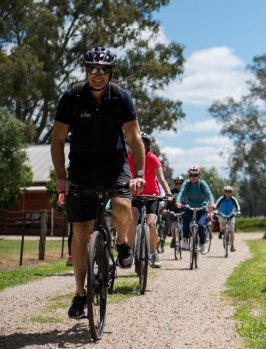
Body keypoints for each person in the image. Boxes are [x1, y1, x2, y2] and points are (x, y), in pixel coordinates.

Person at [51, 47, 146, 319]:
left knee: (122, 206)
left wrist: (138, 173)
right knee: (80, 233)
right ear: (85, 70)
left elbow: (135, 138)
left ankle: (124, 245)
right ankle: (80, 295)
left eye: (103, 70)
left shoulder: (120, 98)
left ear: (110, 72)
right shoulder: (72, 98)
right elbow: (57, 140)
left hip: (114, 165)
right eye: (92, 69)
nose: (97, 74)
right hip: (80, 168)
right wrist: (61, 176)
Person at [127, 132, 172, 268]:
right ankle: (129, 252)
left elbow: (161, 179)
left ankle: (153, 253)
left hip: (152, 196)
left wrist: (169, 193)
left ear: (148, 145)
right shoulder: (129, 158)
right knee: (133, 218)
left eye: (144, 143)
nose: (141, 145)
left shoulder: (153, 159)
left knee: (151, 224)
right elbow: (125, 176)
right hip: (135, 195)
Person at [175, 165, 214, 254]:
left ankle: (203, 244)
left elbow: (209, 193)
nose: (193, 177)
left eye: (195, 175)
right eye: (191, 175)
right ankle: (185, 240)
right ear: (189, 176)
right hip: (190, 207)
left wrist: (211, 203)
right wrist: (178, 202)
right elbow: (182, 193)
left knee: (201, 225)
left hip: (202, 208)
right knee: (185, 218)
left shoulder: (202, 183)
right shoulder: (187, 183)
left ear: (198, 176)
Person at [213, 185, 241, 252]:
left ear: (231, 192)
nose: (227, 193)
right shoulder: (221, 199)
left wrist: (238, 211)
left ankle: (232, 246)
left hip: (231, 215)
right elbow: (216, 205)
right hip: (222, 214)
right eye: (226, 191)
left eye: (229, 191)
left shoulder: (233, 199)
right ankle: (221, 232)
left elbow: (237, 206)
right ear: (224, 192)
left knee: (231, 231)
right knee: (221, 223)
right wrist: (214, 210)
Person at [168, 175, 184, 248]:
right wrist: (166, 209)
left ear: (182, 183)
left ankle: (186, 240)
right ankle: (174, 238)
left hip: (184, 211)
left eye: (180, 183)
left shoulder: (185, 191)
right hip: (174, 211)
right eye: (176, 183)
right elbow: (168, 202)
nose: (178, 185)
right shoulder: (172, 192)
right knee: (173, 226)